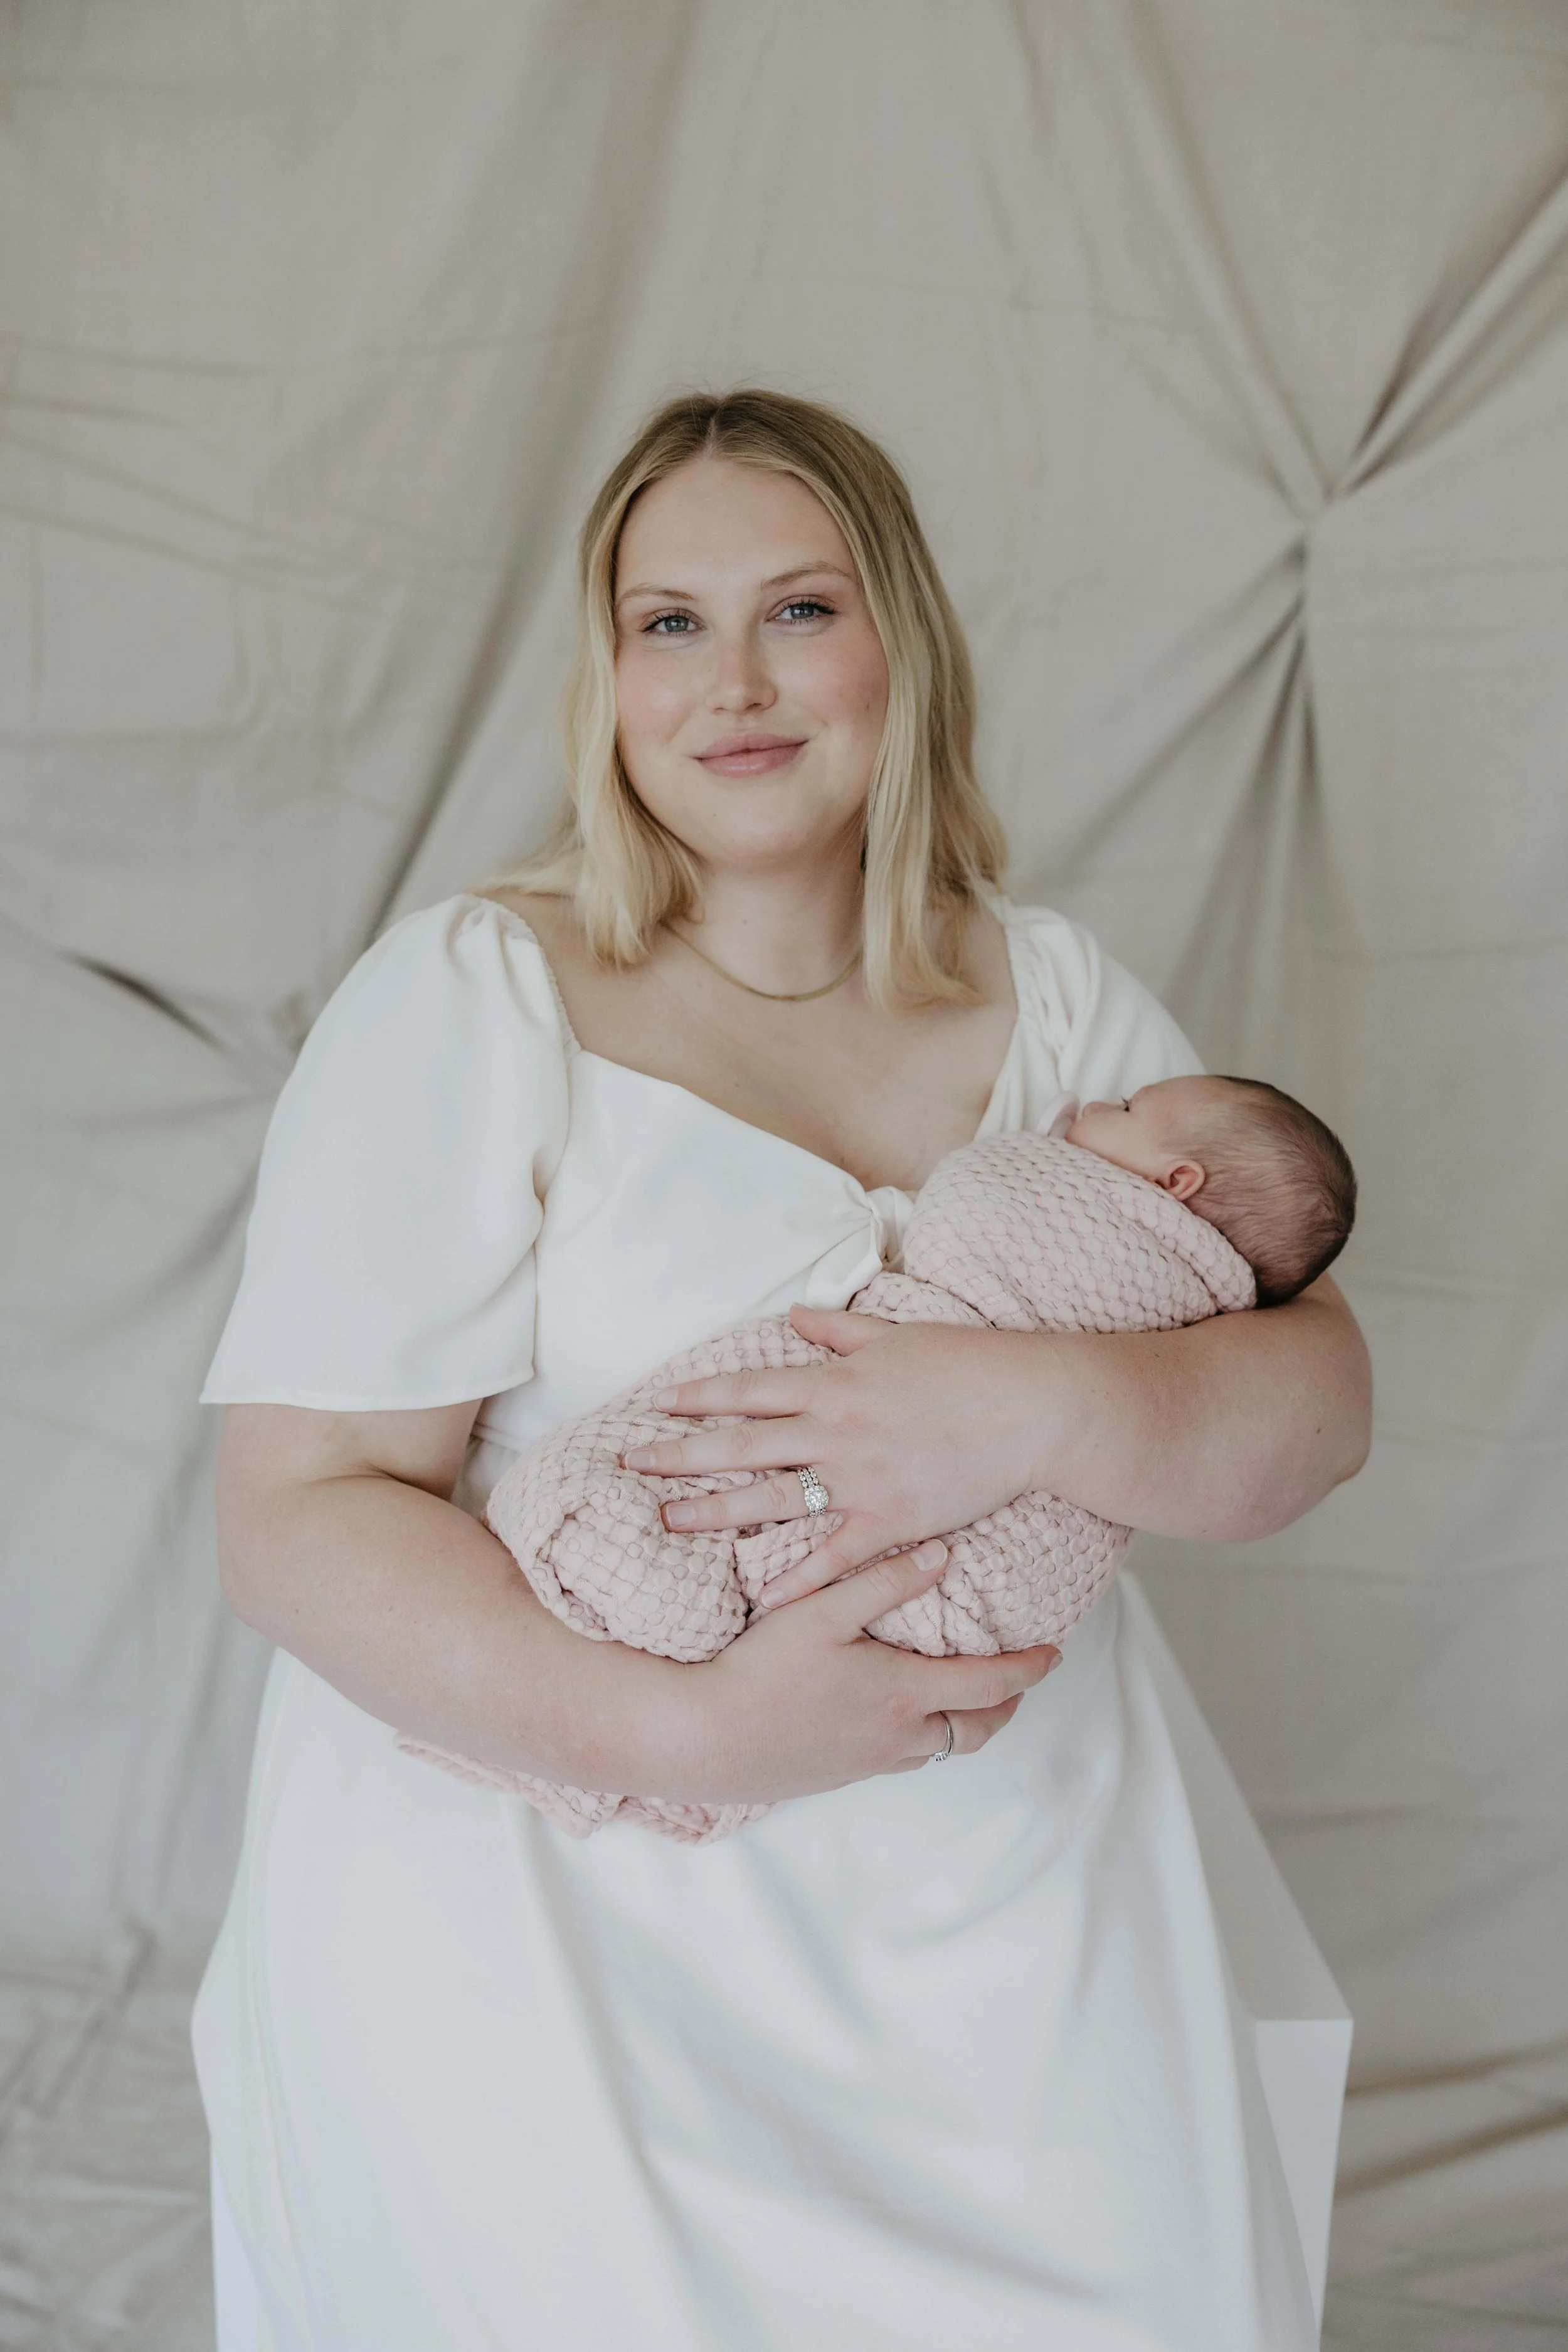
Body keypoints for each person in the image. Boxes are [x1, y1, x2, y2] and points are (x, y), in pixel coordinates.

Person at [196, 388, 1370, 2351]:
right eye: (667, 621)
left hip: (1005, 1893)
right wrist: (687, 1741)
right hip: (555, 1887)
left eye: (799, 608)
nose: (733, 679)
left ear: (897, 638)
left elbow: (1312, 1413)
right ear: (608, 677)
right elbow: (296, 1521)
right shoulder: (476, 994)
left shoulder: (1062, 999)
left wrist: (1034, 1406)